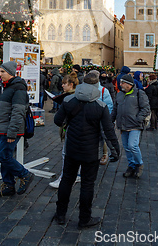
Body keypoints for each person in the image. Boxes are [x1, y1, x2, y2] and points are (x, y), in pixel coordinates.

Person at [54, 71, 120, 228]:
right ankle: (84, 218)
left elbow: (58, 120)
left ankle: (60, 214)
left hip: (72, 149)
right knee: (87, 185)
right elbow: (108, 131)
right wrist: (115, 150)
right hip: (91, 152)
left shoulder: (69, 100)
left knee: (66, 181)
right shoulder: (100, 106)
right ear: (97, 84)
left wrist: (69, 122)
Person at [0, 61, 34, 198]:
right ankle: (8, 185)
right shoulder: (8, 87)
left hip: (10, 129)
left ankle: (25, 174)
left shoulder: (18, 88)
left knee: (3, 156)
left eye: (2, 72)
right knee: (5, 157)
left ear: (10, 73)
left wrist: (12, 132)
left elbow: (18, 111)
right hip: (4, 128)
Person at [112, 74, 150, 178]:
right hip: (123, 125)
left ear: (129, 84)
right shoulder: (119, 94)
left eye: (122, 83)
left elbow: (146, 108)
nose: (120, 85)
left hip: (135, 125)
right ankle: (131, 165)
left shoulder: (139, 93)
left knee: (132, 145)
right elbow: (115, 109)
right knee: (126, 148)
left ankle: (139, 163)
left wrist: (138, 118)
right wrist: (111, 120)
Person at [49, 74, 80, 189]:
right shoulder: (75, 95)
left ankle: (64, 177)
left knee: (66, 153)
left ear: (71, 85)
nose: (62, 85)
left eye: (64, 84)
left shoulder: (70, 98)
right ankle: (77, 174)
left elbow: (60, 119)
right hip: (76, 128)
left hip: (71, 128)